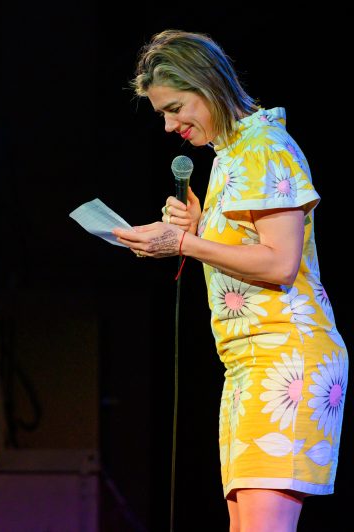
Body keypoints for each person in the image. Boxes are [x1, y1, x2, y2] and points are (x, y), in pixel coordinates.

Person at [112, 29, 348, 531]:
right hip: (246, 363)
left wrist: (183, 243)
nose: (170, 125)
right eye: (163, 114)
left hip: (285, 357)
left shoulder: (263, 147)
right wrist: (199, 228)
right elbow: (247, 249)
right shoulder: (231, 155)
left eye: (176, 108)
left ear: (206, 85)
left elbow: (280, 263)